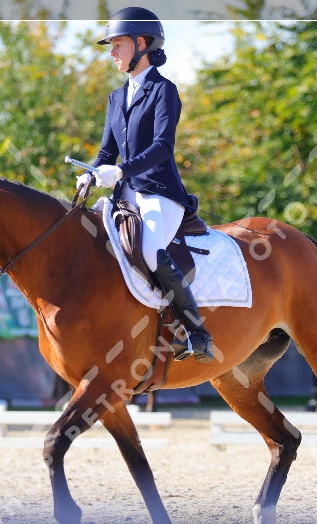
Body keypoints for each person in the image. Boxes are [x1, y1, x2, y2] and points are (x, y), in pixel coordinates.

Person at [76, 6, 213, 362]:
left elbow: (162, 147)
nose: (111, 53)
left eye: (117, 45)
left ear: (140, 44)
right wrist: (92, 173)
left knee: (150, 250)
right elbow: (107, 150)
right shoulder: (116, 98)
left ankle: (196, 332)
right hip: (124, 196)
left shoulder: (164, 91)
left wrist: (120, 172)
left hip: (159, 193)